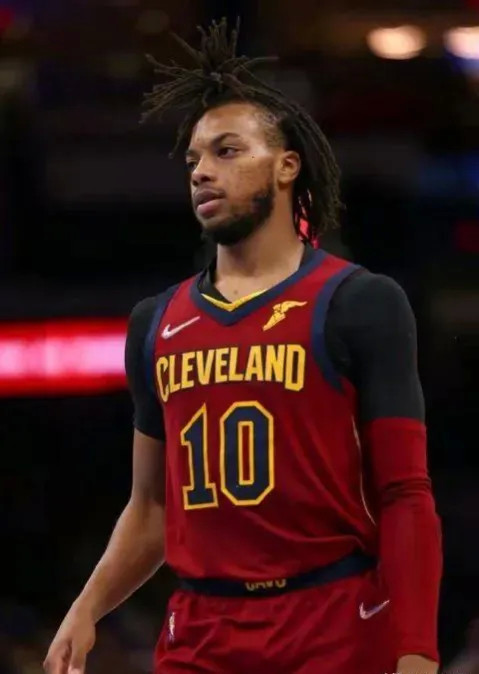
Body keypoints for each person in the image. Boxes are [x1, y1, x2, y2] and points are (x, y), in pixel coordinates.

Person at [44, 18, 442, 674]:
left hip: (333, 618)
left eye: (226, 151)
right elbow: (151, 506)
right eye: (194, 161)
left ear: (287, 166)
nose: (202, 172)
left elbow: (404, 492)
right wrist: (87, 607)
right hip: (202, 628)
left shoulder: (359, 302)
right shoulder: (154, 322)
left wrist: (417, 648)